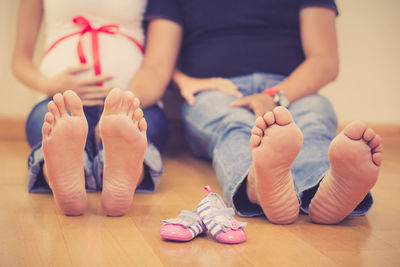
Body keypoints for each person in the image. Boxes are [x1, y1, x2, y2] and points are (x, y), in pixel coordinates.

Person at [130, 0, 383, 224]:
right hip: (217, 89)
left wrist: (274, 96)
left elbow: (325, 60)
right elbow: (157, 65)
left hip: (292, 90)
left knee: (314, 118)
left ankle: (324, 188)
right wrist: (181, 81)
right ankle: (256, 184)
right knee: (233, 123)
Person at [11, 0, 170, 216]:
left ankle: (107, 171)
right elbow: (20, 60)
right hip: (60, 97)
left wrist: (130, 98)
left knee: (140, 127)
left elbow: (158, 65)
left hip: (132, 98)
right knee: (52, 126)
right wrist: (48, 85)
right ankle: (74, 173)